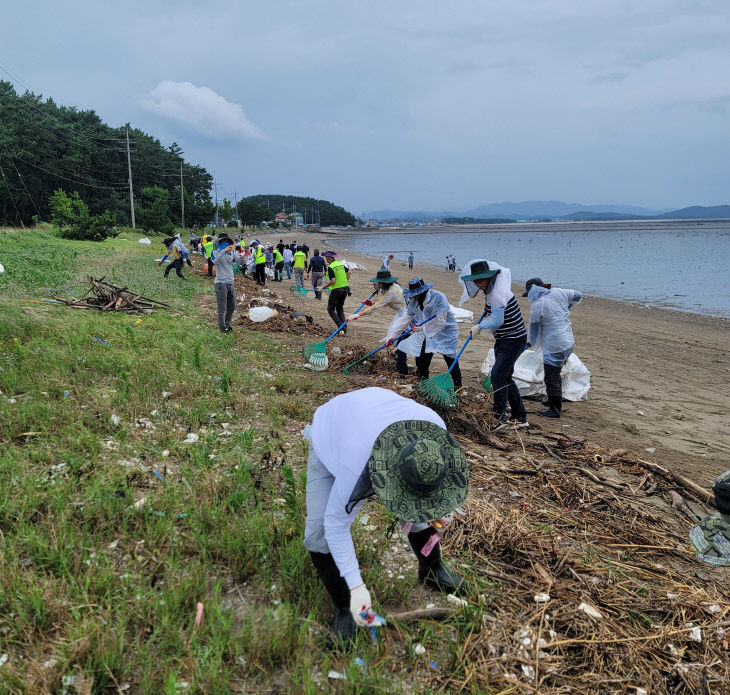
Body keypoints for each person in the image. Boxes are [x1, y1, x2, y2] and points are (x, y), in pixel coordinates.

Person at [303, 387, 469, 641]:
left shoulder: (435, 431)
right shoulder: (352, 465)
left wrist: (437, 509)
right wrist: (357, 586)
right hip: (331, 429)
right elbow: (336, 526)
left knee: (416, 513)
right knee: (319, 534)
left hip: (370, 410)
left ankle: (432, 567)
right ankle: (345, 607)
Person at [460, 259, 528, 424]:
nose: (478, 284)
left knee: (498, 377)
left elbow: (497, 321)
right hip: (505, 338)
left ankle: (499, 417)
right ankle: (519, 416)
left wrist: (479, 326)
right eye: (476, 281)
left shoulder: (497, 293)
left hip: (513, 339)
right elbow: (495, 314)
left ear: (490, 277)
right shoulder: (491, 290)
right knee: (505, 377)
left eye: (481, 281)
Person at [523, 278, 582, 418]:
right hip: (568, 342)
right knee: (555, 373)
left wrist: (527, 343)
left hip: (555, 346)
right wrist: (568, 306)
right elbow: (578, 295)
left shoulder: (538, 305)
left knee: (551, 377)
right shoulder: (559, 292)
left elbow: (533, 331)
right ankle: (552, 399)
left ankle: (555, 410)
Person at [390, 278, 461, 387]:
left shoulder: (438, 297)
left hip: (446, 332)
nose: (415, 296)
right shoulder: (413, 302)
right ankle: (424, 383)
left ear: (423, 291)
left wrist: (422, 328)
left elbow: (440, 321)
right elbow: (405, 319)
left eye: (417, 293)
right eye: (413, 294)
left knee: (450, 358)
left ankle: (457, 385)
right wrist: (392, 336)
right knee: (423, 361)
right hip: (428, 333)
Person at [351, 270, 412, 376]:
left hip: (407, 316)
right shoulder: (393, 287)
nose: (377, 284)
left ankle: (403, 371)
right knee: (399, 342)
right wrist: (370, 303)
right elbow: (380, 302)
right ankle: (400, 363)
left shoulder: (391, 292)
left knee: (400, 342)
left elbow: (379, 305)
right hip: (402, 314)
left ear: (385, 282)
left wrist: (358, 315)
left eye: (379, 282)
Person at [211, 234, 241, 333]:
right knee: (222, 308)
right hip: (220, 283)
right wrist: (224, 251)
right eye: (224, 242)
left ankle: (227, 324)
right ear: (219, 243)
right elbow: (215, 262)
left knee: (232, 306)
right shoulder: (215, 252)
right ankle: (222, 327)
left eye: (227, 242)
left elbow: (239, 262)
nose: (226, 243)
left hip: (230, 282)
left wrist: (239, 253)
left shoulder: (231, 253)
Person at [322, 251, 351, 335]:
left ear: (330, 258)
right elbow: (349, 272)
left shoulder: (330, 267)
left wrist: (323, 287)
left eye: (327, 258)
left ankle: (341, 326)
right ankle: (344, 328)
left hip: (336, 290)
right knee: (340, 308)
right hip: (345, 289)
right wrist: (345, 281)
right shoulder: (340, 264)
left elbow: (333, 281)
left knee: (330, 309)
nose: (326, 259)